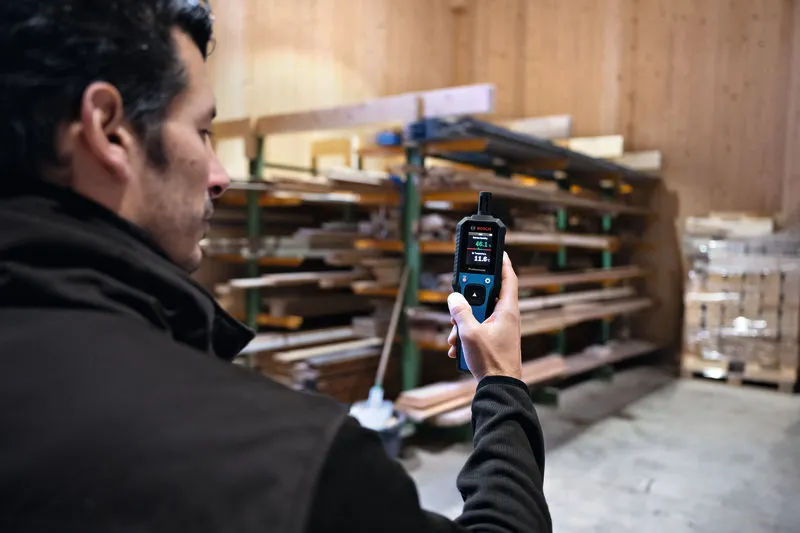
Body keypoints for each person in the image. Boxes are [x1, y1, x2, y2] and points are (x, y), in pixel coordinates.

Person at [0, 1, 552, 532]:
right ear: (108, 129)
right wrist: (502, 381)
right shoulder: (290, 462)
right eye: (202, 130)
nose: (221, 176)